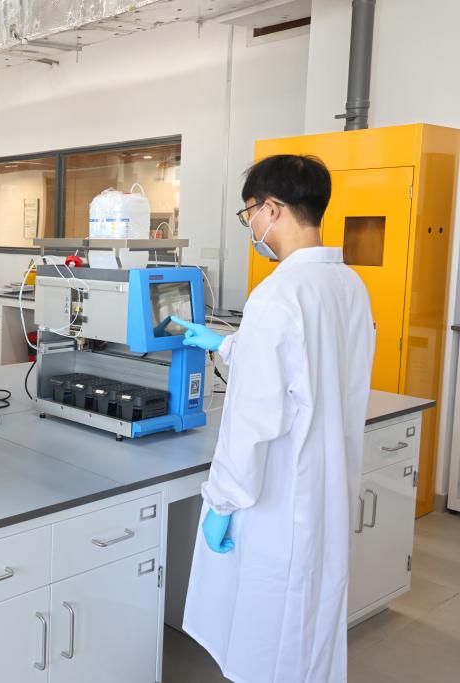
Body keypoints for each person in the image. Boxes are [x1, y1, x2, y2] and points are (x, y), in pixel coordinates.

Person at [174, 155, 375, 683]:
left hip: (280, 502)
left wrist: (221, 503)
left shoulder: (276, 296)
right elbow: (309, 370)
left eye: (250, 215)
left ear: (272, 208)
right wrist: (226, 345)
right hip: (327, 493)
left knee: (269, 645)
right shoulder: (349, 286)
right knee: (312, 635)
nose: (253, 228)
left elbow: (252, 423)